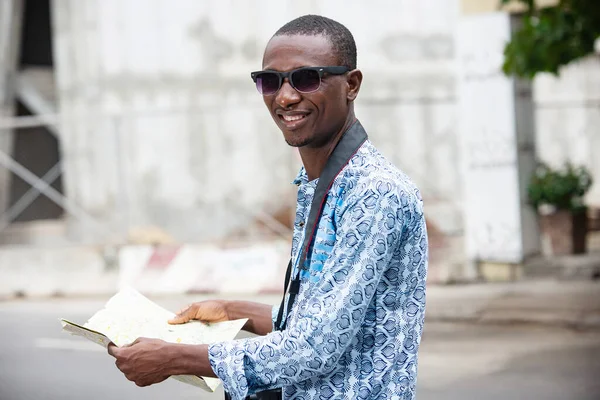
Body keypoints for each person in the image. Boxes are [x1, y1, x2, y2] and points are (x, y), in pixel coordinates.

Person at [108, 14, 428, 400]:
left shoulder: (375, 193)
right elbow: (318, 321)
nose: (286, 96)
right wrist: (230, 310)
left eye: (307, 78)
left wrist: (177, 358)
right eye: (270, 81)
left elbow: (313, 348)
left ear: (352, 85)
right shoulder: (324, 184)